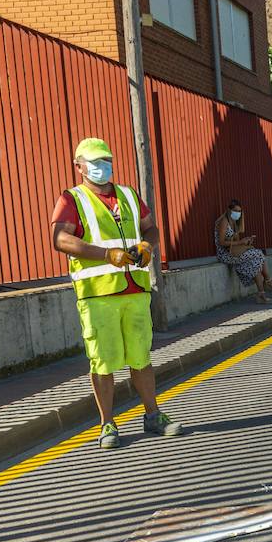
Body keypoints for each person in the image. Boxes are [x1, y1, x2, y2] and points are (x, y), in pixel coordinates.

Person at [50, 137, 182, 450]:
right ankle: (107, 424)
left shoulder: (128, 195)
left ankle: (153, 416)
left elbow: (150, 228)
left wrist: (147, 246)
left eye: (105, 160)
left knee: (141, 357)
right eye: (94, 162)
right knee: (103, 362)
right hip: (98, 294)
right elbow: (60, 239)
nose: (101, 167)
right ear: (79, 167)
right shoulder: (72, 199)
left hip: (135, 290)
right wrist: (105, 254)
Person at [215, 200, 272, 303]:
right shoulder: (224, 221)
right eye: (235, 210)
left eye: (239, 211)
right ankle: (268, 279)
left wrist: (246, 241)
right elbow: (221, 242)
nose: (238, 213)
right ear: (229, 210)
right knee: (259, 254)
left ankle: (261, 295)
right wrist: (240, 242)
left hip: (233, 252)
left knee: (255, 264)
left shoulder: (234, 223)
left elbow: (235, 242)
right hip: (225, 254)